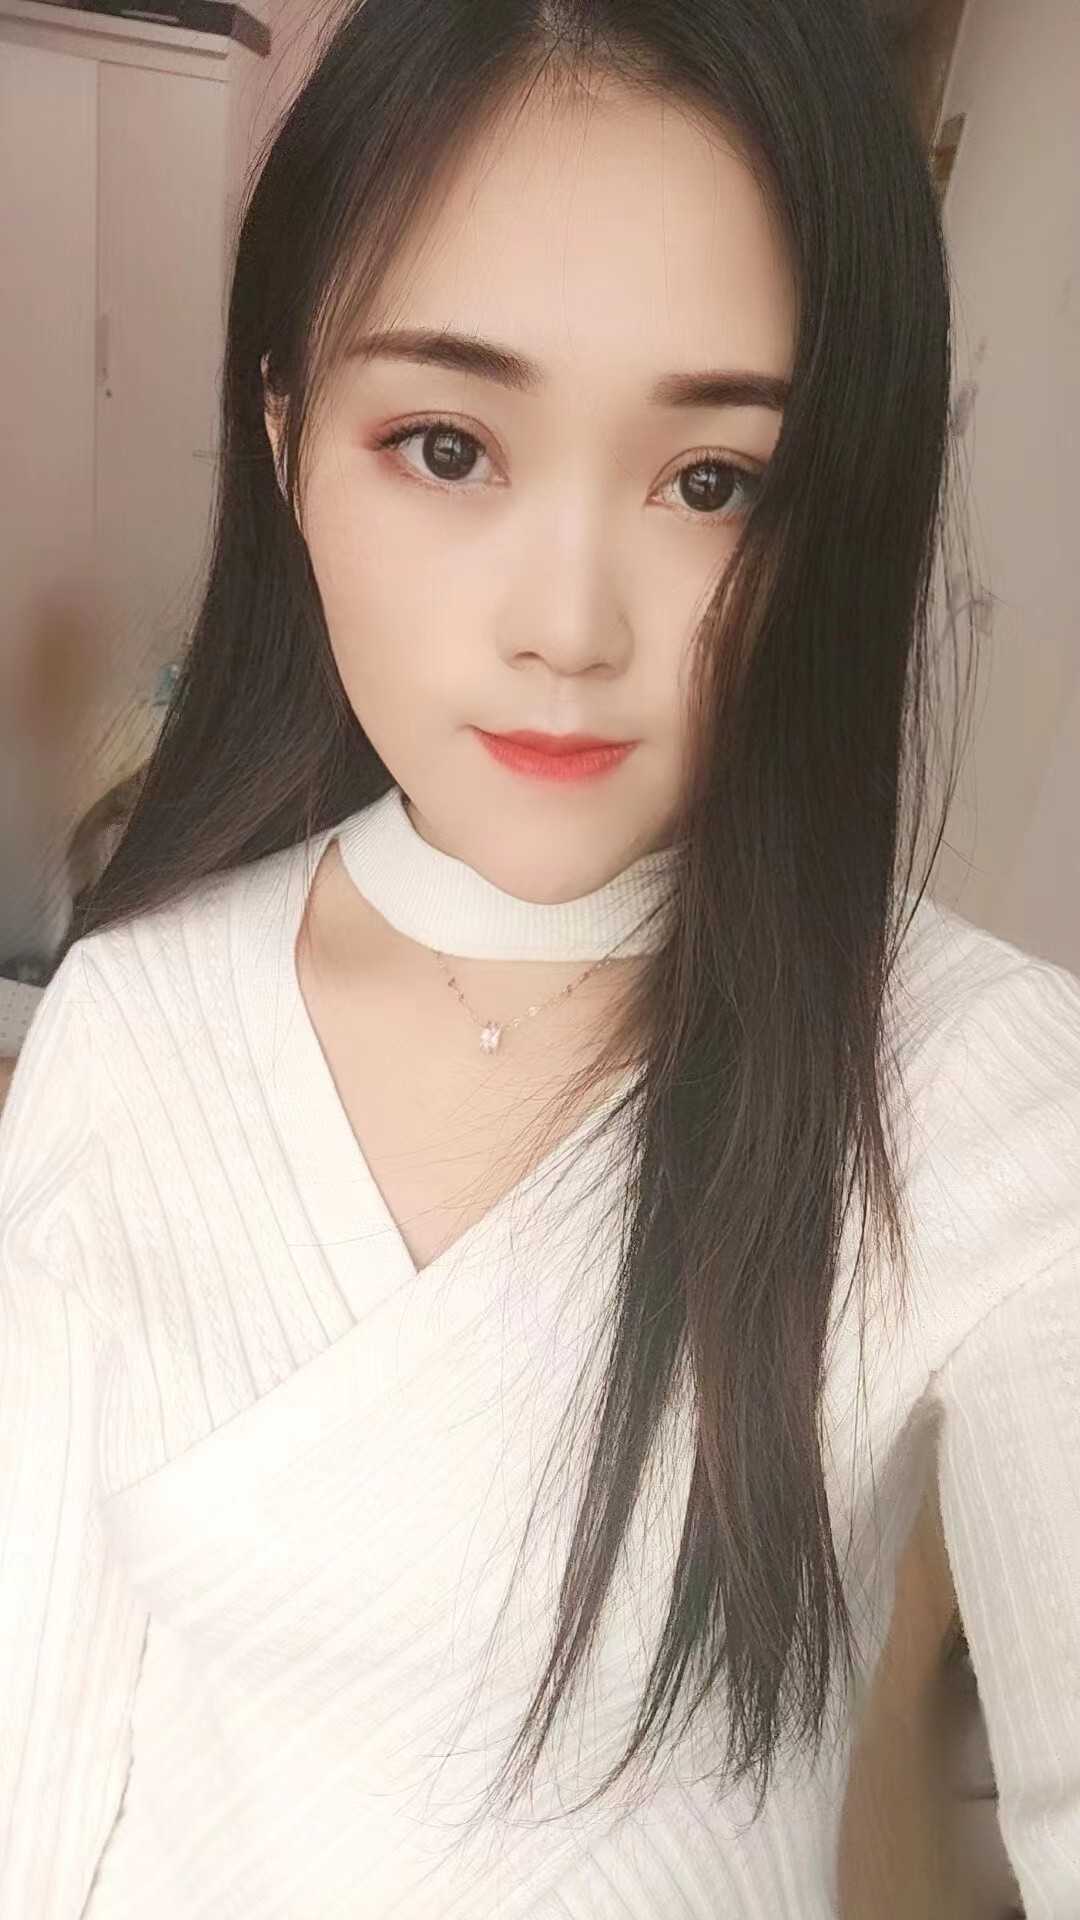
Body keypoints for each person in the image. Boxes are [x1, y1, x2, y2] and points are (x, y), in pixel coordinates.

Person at [0, 1, 1076, 1914]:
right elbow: (36, 1738)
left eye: (713, 481)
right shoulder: (138, 1019)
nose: (569, 626)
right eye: (447, 446)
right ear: (286, 441)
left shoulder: (973, 1087)